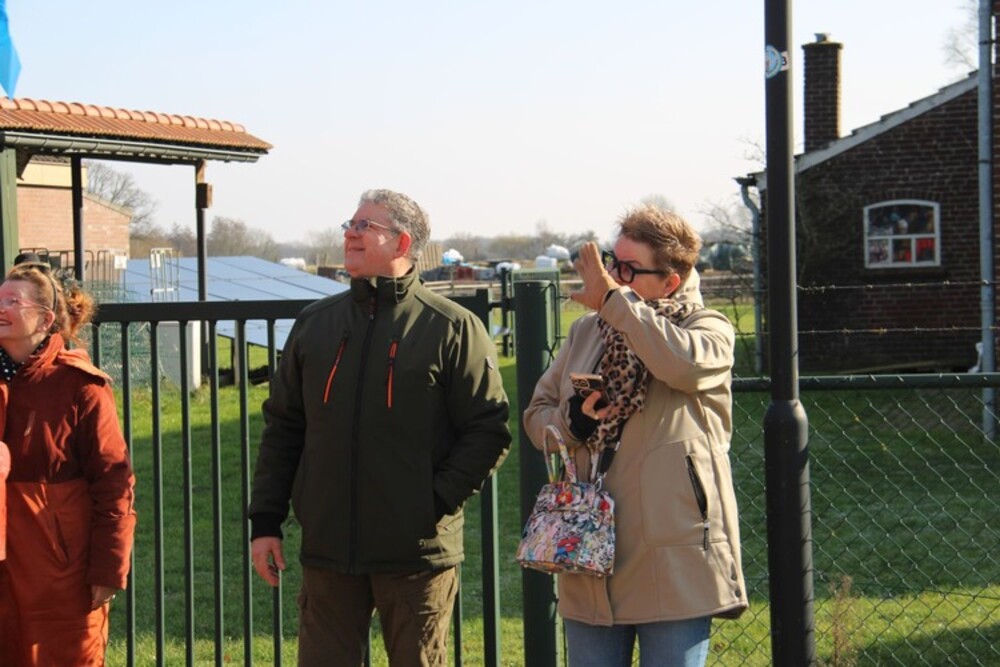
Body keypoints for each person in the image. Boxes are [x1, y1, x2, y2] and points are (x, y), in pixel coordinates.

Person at [248, 189, 511, 666]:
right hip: (328, 551)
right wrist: (265, 522)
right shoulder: (315, 324)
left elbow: (487, 431)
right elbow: (284, 428)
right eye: (349, 224)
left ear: (403, 242)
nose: (349, 234)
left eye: (364, 226)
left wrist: (430, 503)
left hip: (415, 556)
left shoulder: (451, 327)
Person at [524, 205, 748, 666]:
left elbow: (681, 365)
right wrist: (573, 423)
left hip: (675, 557)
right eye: (612, 262)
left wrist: (615, 303)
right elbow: (536, 417)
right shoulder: (587, 331)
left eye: (629, 269)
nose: (613, 277)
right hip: (588, 553)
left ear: (670, 281)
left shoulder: (706, 328)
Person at [0, 260, 136, 665]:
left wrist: (109, 568)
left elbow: (114, 481)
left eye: (13, 301)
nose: (0, 308)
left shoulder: (81, 386)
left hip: (59, 576)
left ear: (44, 320)